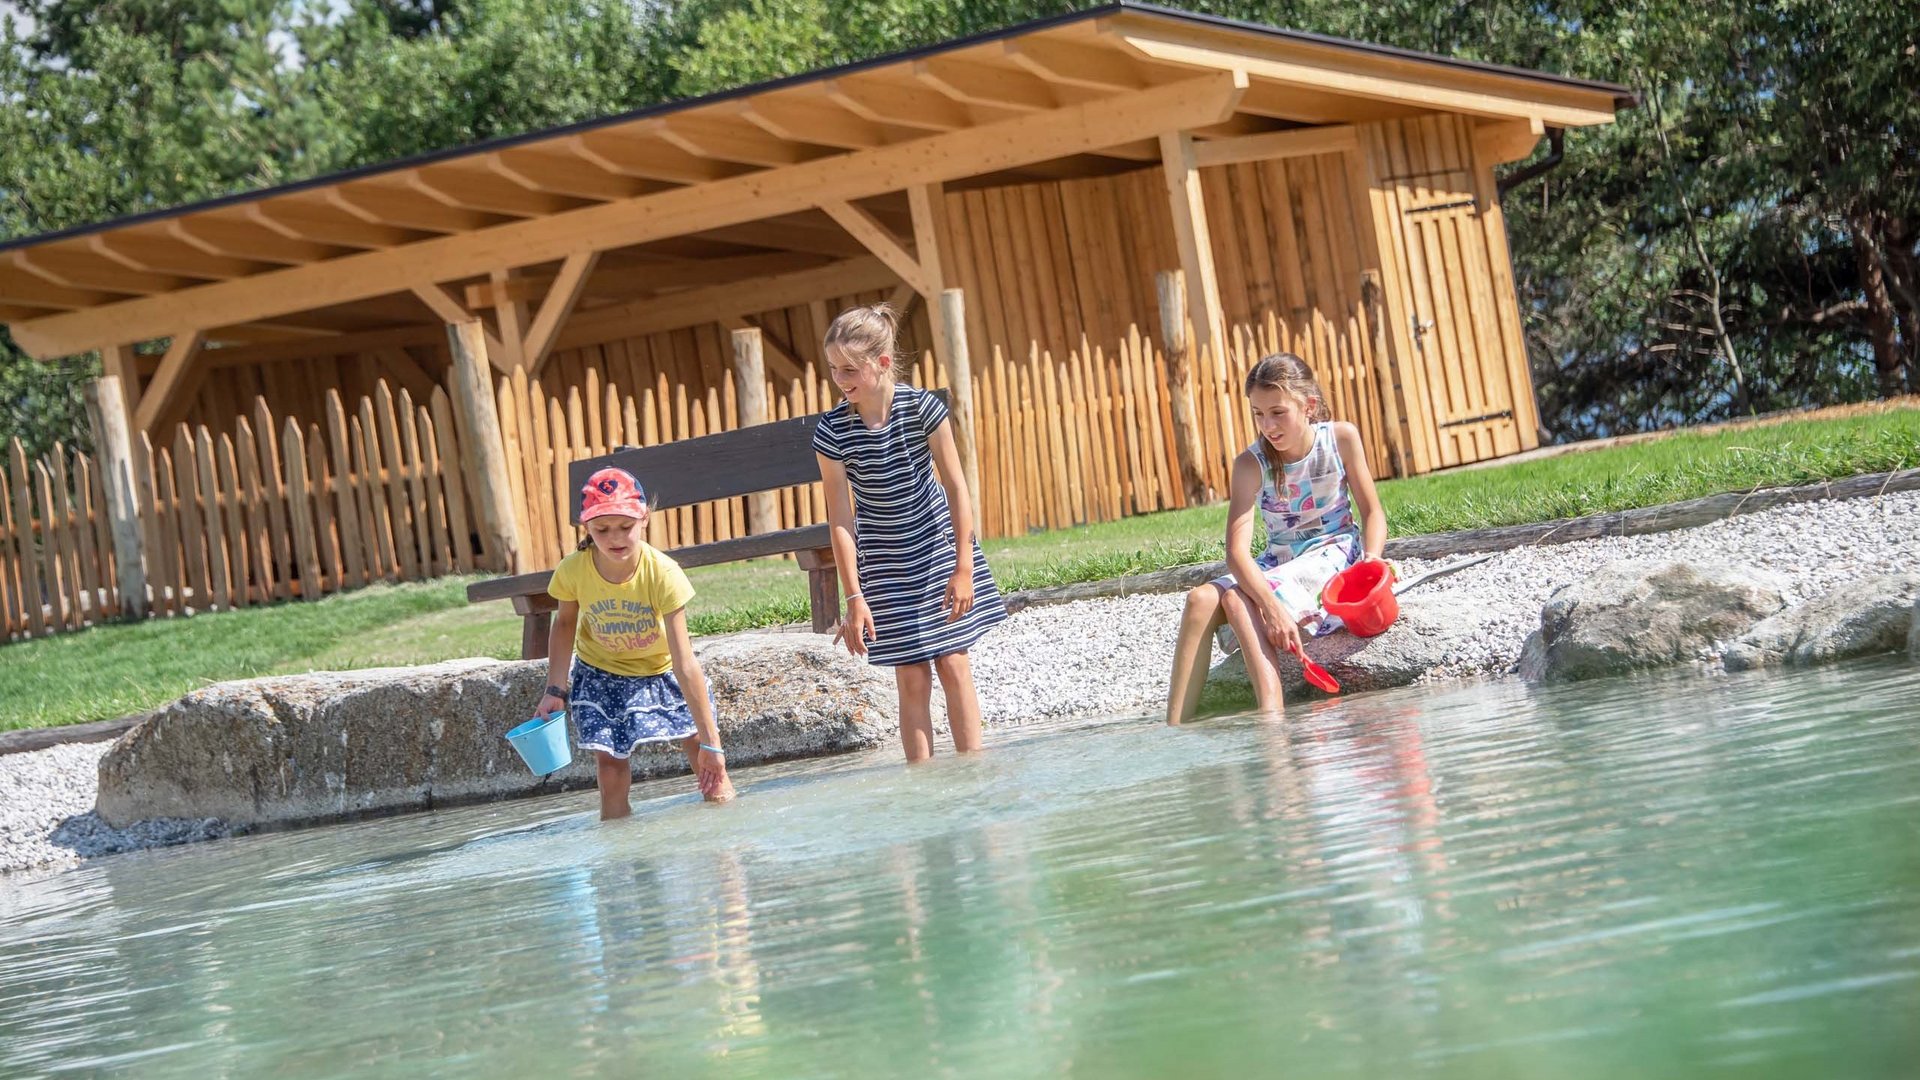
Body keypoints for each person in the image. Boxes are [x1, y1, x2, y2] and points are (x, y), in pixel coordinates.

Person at [811, 302, 1008, 762]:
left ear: (881, 363)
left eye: (849, 369)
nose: (840, 380)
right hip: (883, 562)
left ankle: (972, 771)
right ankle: (923, 789)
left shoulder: (923, 409)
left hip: (938, 548)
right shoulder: (832, 432)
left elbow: (956, 487)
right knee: (911, 675)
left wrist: (964, 567)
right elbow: (841, 518)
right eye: (834, 370)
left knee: (954, 663)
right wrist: (854, 597)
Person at [1165, 353, 1389, 724]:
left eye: (1277, 412)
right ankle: (1173, 729)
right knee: (1199, 599)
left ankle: (1271, 715)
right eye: (1258, 413)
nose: (1268, 425)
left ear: (1309, 406)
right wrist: (1270, 607)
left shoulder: (1341, 439)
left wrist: (1373, 559)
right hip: (1280, 562)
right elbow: (1237, 554)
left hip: (1331, 553)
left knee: (1239, 597)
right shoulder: (1251, 464)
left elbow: (1373, 512)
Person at [533, 466, 735, 818]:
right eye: (602, 529)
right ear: (587, 529)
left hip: (660, 671)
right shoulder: (573, 570)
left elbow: (684, 661)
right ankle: (617, 853)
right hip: (602, 673)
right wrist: (555, 689)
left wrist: (712, 743)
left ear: (644, 519)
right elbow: (564, 625)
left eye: (625, 527)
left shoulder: (663, 573)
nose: (615, 538)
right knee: (610, 766)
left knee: (701, 754)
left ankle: (728, 843)